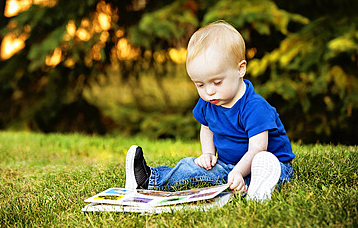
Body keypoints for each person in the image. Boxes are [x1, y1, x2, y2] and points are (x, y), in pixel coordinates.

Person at [125, 21, 295, 202]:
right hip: (228, 165)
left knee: (262, 163)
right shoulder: (209, 102)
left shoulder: (255, 107)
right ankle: (149, 180)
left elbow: (258, 148)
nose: (209, 91)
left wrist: (239, 171)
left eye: (217, 82)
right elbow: (206, 127)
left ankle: (258, 187)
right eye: (200, 85)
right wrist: (207, 154)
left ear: (240, 69)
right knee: (190, 166)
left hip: (270, 163)